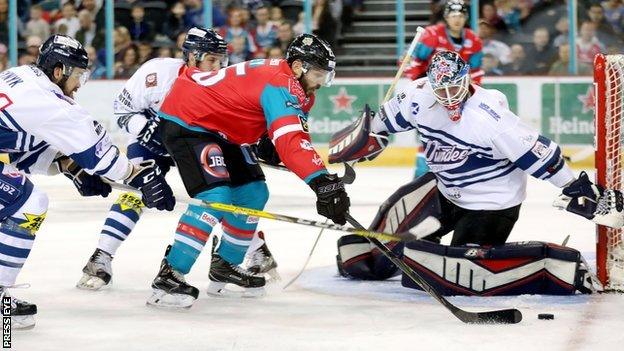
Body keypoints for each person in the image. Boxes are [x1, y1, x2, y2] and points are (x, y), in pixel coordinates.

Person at [330, 51, 621, 290]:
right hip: (443, 189)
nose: (449, 97)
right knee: (386, 237)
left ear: (467, 78)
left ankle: (555, 266)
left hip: (490, 204)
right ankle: (367, 255)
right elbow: (380, 123)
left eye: (454, 87)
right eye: (440, 90)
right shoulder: (417, 96)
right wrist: (365, 139)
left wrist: (573, 186)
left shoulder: (489, 118)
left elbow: (538, 153)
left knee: (456, 274)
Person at [147, 33, 350, 308]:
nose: (321, 83)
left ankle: (225, 265)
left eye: (326, 76)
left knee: (254, 193)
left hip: (223, 129)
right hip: (189, 121)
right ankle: (170, 274)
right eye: (318, 74)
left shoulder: (296, 86)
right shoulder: (282, 83)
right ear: (300, 66)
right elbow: (293, 143)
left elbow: (287, 135)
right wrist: (322, 182)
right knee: (216, 198)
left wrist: (269, 139)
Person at [0, 35, 175, 329]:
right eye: (79, 74)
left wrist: (70, 167)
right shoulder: (51, 102)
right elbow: (101, 156)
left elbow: (21, 146)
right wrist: (139, 176)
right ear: (59, 71)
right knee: (28, 201)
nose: (81, 83)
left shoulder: (19, 76)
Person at [76, 27, 228, 291]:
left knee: (223, 195)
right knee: (135, 193)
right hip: (151, 145)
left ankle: (248, 249)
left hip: (192, 146)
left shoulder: (222, 82)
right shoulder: (156, 72)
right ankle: (101, 256)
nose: (218, 67)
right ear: (192, 57)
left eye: (221, 60)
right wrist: (143, 128)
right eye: (212, 60)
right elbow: (122, 110)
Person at [404, 0, 484, 84]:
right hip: (430, 83)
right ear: (446, 17)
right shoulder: (433, 34)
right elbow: (410, 58)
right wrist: (420, 80)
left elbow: (475, 69)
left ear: (466, 17)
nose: (457, 20)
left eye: (461, 16)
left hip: (459, 87)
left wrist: (472, 86)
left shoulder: (474, 40)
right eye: (453, 16)